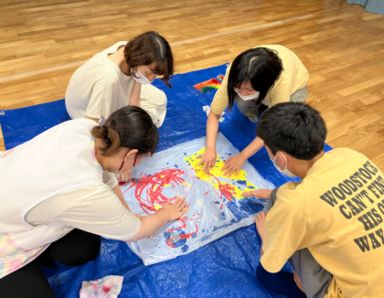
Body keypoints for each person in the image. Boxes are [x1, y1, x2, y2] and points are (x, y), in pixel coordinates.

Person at [0, 106, 188, 297]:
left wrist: (128, 213)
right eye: (139, 162)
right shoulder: (88, 192)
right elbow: (137, 231)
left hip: (10, 191)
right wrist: (165, 214)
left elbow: (108, 177)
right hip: (5, 236)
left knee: (84, 248)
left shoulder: (86, 128)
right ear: (130, 155)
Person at [244, 102, 384, 297]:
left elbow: (269, 264)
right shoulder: (350, 155)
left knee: (265, 276)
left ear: (281, 159)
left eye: (268, 151)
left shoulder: (292, 204)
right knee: (281, 198)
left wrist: (267, 237)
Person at [201, 45, 308, 175]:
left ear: (265, 86)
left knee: (285, 125)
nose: (243, 93)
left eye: (249, 90)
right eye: (238, 88)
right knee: (245, 107)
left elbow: (269, 131)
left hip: (295, 86)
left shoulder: (281, 83)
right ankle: (258, 104)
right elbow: (214, 114)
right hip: (263, 86)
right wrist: (210, 148)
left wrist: (241, 157)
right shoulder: (234, 73)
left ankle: (265, 103)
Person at [65, 31, 174, 128]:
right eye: (149, 73)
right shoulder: (108, 78)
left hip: (103, 90)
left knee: (159, 99)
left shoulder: (130, 50)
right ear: (139, 60)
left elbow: (134, 102)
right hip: (83, 112)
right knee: (132, 128)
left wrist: (134, 113)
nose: (151, 80)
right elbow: (91, 124)